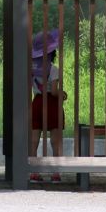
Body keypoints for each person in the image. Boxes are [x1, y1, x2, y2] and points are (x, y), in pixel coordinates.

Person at [30, 29, 65, 183]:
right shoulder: (54, 69)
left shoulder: (32, 70)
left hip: (37, 102)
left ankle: (34, 172)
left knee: (34, 140)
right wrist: (63, 95)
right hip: (52, 104)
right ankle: (55, 173)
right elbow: (55, 91)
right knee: (55, 141)